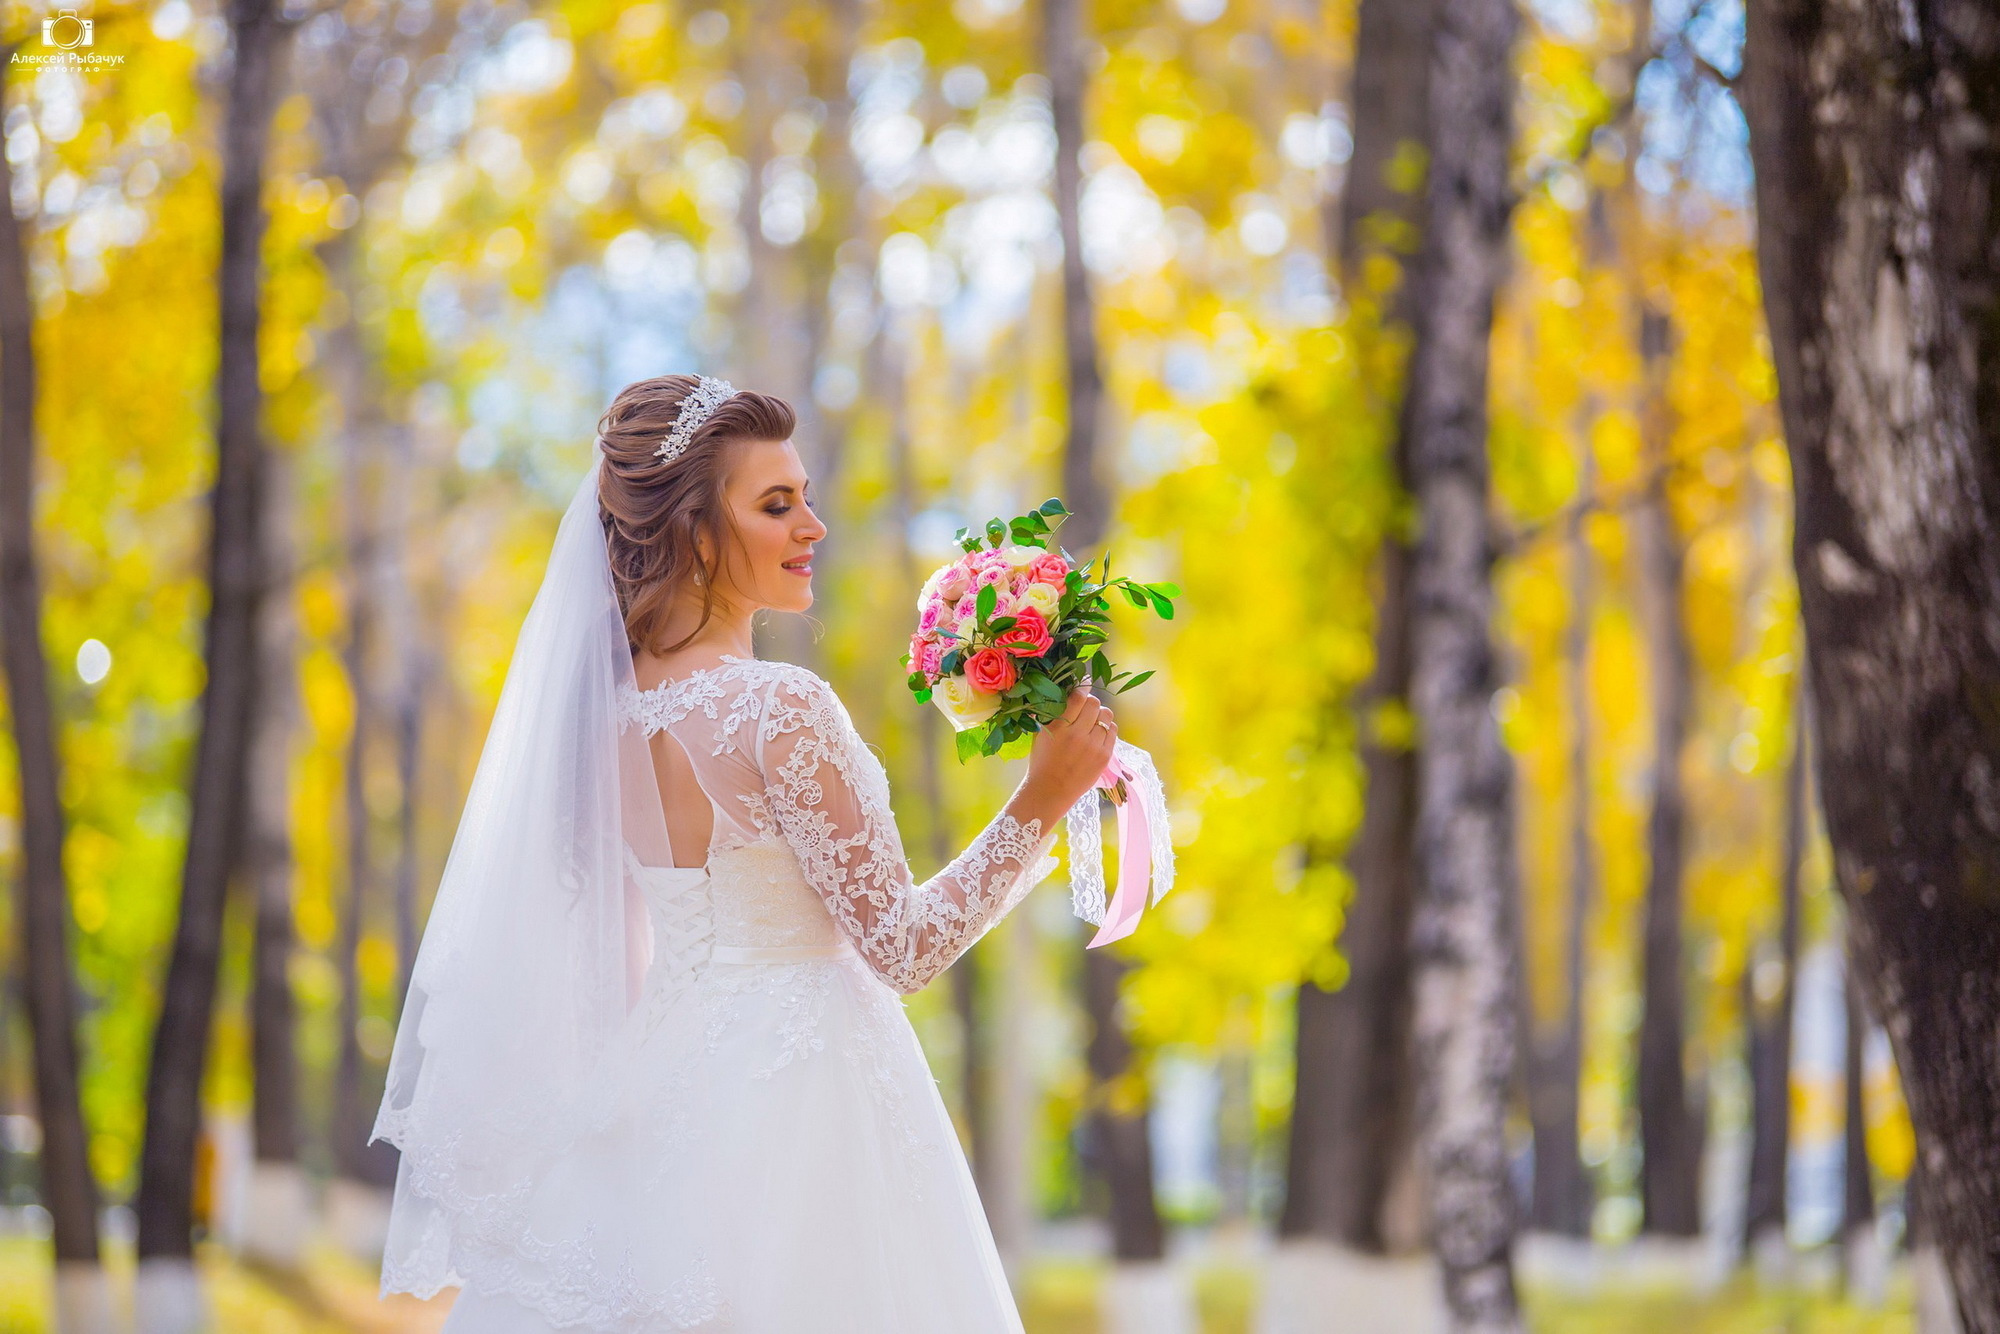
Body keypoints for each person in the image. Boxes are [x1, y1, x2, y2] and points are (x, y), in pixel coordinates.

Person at [372, 374, 1118, 1332]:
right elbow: (902, 946)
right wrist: (1043, 800)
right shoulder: (779, 708)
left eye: (804, 496)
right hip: (808, 1105)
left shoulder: (597, 722)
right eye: (776, 504)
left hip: (659, 1094)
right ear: (691, 530)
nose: (812, 525)